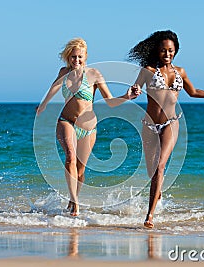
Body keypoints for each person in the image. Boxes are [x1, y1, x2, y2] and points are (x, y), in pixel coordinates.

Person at [127, 30, 204, 228]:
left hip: (171, 122)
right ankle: (157, 190)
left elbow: (193, 92)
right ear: (157, 51)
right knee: (152, 171)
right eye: (163, 50)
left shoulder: (181, 72)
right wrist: (134, 91)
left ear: (175, 50)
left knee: (160, 166)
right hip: (149, 125)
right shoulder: (147, 71)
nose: (167, 54)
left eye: (170, 50)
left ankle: (149, 216)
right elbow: (135, 89)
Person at [36, 38, 140, 216]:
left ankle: (72, 197)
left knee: (81, 169)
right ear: (68, 57)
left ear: (86, 57)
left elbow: (110, 101)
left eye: (80, 57)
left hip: (88, 127)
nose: (76, 60)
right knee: (70, 158)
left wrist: (126, 96)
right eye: (73, 57)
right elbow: (54, 88)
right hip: (66, 121)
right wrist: (43, 105)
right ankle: (75, 202)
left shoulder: (94, 75)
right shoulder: (63, 72)